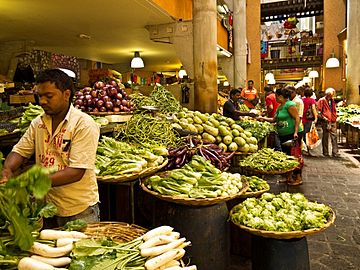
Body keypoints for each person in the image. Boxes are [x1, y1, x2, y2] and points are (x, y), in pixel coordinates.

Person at [1, 69, 100, 227]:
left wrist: (31, 183)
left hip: (78, 209)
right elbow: (19, 151)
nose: (42, 102)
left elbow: (76, 172)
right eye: (40, 96)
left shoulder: (83, 124)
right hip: (47, 207)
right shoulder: (38, 123)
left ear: (66, 94)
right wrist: (7, 169)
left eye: (49, 96)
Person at [257, 87, 303, 185]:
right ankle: (289, 177)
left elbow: (297, 118)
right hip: (283, 135)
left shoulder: (290, 105)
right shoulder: (280, 106)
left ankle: (298, 178)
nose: (275, 98)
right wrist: (262, 118)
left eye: (276, 96)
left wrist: (295, 132)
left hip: (292, 134)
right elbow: (274, 120)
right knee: (286, 156)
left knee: (294, 156)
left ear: (280, 96)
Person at [317, 87, 339, 158]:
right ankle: (325, 152)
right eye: (331, 95)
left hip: (333, 120)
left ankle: (335, 152)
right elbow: (318, 111)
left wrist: (335, 117)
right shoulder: (322, 100)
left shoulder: (332, 101)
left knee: (334, 136)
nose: (332, 96)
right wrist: (323, 117)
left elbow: (333, 110)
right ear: (327, 94)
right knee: (325, 136)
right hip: (325, 121)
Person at [264, 86, 281, 151]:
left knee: (273, 133)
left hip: (272, 116)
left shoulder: (268, 97)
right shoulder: (275, 96)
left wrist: (265, 113)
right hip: (278, 116)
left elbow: (271, 107)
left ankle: (275, 148)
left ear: (266, 91)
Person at [302, 87, 318, 155]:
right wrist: (316, 117)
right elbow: (314, 109)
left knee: (303, 134)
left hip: (302, 118)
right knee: (308, 134)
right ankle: (307, 149)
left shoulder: (302, 99)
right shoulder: (312, 100)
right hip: (309, 119)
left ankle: (303, 148)